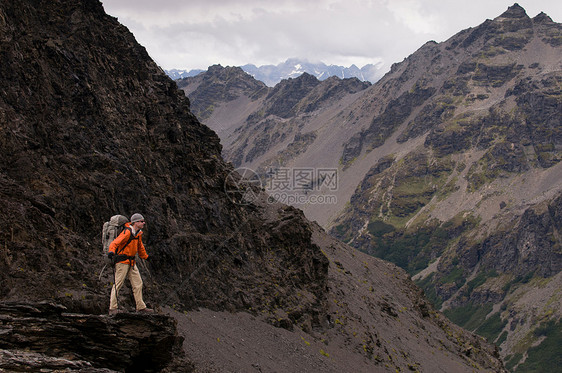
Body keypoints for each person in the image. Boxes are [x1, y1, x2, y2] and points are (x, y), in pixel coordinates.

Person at [107, 213, 153, 314]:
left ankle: (140, 307)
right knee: (118, 284)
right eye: (141, 221)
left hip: (131, 262)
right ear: (135, 222)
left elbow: (140, 247)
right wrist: (111, 251)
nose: (143, 223)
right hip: (122, 262)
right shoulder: (127, 232)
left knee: (138, 283)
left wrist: (146, 257)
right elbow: (115, 243)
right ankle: (113, 308)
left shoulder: (138, 234)